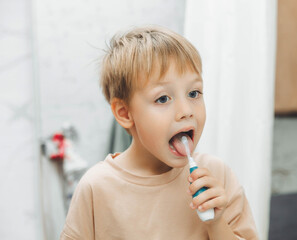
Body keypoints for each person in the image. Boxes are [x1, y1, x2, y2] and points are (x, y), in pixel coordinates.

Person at [60, 25, 259, 240]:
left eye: (194, 93)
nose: (186, 111)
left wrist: (217, 225)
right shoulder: (96, 187)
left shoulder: (218, 176)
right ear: (125, 113)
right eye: (163, 98)